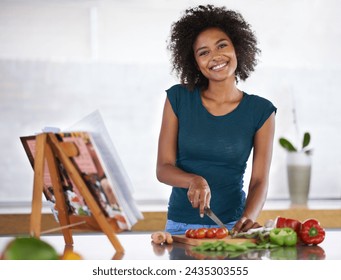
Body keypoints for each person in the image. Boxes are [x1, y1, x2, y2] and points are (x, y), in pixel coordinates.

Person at [156, 5, 277, 236]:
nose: (215, 56)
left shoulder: (261, 111)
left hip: (231, 226)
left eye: (222, 45)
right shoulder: (178, 99)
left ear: (237, 48)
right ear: (194, 62)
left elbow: (259, 180)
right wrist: (194, 180)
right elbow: (163, 169)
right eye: (204, 52)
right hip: (180, 228)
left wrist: (248, 219)